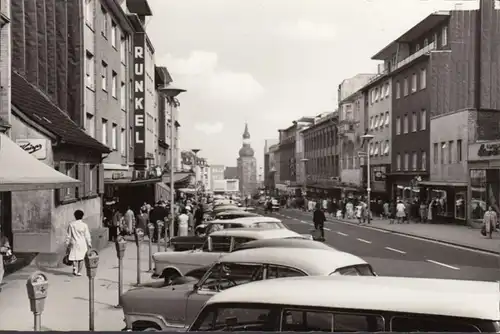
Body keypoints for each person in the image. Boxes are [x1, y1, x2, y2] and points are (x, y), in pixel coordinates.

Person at [65, 210, 92, 276]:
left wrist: (67, 243)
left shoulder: (71, 224)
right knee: (81, 258)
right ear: (82, 216)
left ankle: (74, 267)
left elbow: (69, 235)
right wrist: (89, 243)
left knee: (74, 256)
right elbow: (87, 235)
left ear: (75, 216)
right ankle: (79, 271)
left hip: (74, 242)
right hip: (82, 243)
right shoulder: (84, 225)